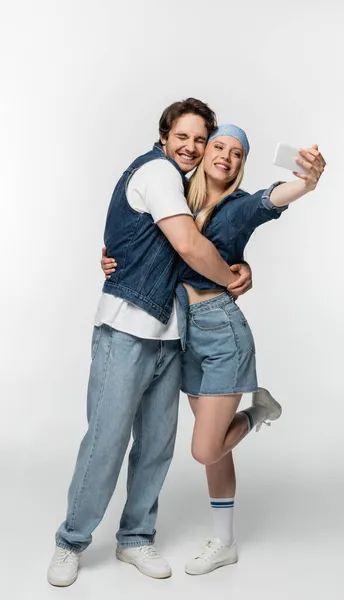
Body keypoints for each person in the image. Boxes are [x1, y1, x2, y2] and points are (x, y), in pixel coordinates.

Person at [102, 124, 326, 575]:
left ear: (242, 165)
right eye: (218, 146)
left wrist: (308, 182)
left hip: (221, 332)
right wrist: (108, 257)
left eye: (237, 153)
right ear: (203, 153)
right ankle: (224, 542)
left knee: (205, 449)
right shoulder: (178, 197)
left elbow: (273, 198)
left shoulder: (238, 206)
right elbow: (142, 236)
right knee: (218, 450)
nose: (226, 156)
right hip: (182, 335)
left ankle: (259, 411)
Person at [47, 99, 253, 587]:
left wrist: (238, 266)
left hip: (172, 335)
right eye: (183, 136)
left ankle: (135, 537)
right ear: (164, 138)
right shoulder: (158, 171)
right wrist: (231, 279)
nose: (192, 146)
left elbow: (200, 241)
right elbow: (187, 245)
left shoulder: (189, 188)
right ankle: (71, 541)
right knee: (106, 441)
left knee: (157, 446)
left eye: (200, 140)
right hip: (126, 331)